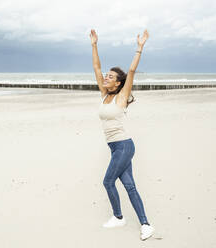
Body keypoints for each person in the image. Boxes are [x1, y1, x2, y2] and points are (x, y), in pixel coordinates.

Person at [89, 29, 155, 241]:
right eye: (106, 76)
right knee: (129, 186)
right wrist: (94, 45)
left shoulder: (121, 96)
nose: (106, 77)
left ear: (118, 83)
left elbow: (132, 71)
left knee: (108, 182)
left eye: (110, 77)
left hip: (124, 145)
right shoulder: (104, 95)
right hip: (115, 147)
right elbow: (97, 67)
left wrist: (140, 47)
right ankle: (146, 225)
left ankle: (119, 217)